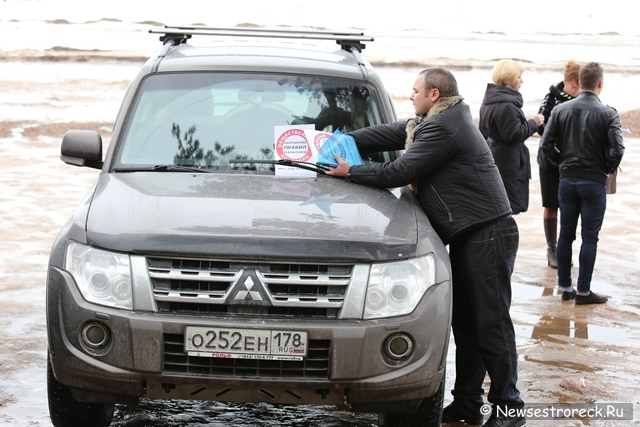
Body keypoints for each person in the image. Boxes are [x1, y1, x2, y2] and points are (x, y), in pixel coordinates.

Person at [326, 68, 526, 427]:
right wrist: (333, 141)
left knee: (491, 324)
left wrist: (350, 172)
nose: (411, 95)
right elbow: (387, 133)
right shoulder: (432, 121)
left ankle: (510, 408)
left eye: (416, 90)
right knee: (466, 324)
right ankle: (467, 403)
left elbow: (399, 171)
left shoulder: (444, 126)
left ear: (434, 94)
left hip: (488, 232)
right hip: (470, 233)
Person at [540, 62, 624, 304]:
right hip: (593, 181)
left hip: (566, 179)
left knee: (566, 234)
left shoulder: (560, 110)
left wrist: (562, 163)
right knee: (589, 237)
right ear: (599, 84)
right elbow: (617, 150)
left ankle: (566, 287)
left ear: (581, 82)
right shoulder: (609, 113)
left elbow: (546, 145)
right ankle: (583, 292)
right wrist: (605, 168)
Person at [479, 59, 545, 215]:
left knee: (498, 206)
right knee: (506, 208)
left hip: (495, 156)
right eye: (519, 77)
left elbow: (482, 131)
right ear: (509, 78)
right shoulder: (506, 104)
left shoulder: (490, 100)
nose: (521, 81)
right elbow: (513, 134)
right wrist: (534, 123)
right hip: (508, 162)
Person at [537, 60, 582, 269]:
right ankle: (551, 249)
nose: (577, 90)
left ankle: (564, 247)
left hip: (572, 161)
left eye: (581, 86)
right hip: (549, 161)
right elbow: (540, 128)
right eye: (575, 86)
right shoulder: (551, 98)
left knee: (569, 207)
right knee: (551, 205)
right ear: (566, 81)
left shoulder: (583, 99)